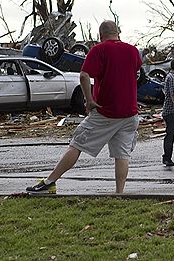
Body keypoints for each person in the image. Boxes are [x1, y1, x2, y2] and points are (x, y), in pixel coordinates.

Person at [26, 20, 142, 194]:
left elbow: (84, 76)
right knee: (122, 154)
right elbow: (136, 74)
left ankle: (50, 182)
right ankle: (120, 192)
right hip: (130, 114)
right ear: (118, 33)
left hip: (106, 112)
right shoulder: (133, 51)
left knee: (77, 144)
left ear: (100, 35)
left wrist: (89, 100)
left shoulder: (99, 50)